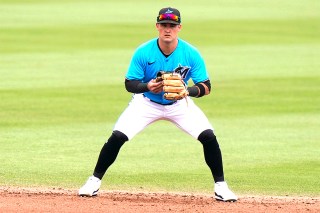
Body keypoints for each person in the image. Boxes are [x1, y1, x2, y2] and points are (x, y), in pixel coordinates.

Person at [79, 7, 237, 202]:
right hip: (146, 103)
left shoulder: (191, 53)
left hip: (180, 105)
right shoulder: (144, 52)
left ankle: (221, 187)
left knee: (208, 136)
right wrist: (147, 86)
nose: (167, 29)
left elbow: (206, 87)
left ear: (179, 27)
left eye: (172, 25)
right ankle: (93, 181)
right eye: (163, 25)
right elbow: (129, 84)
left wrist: (187, 91)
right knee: (118, 136)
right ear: (157, 26)